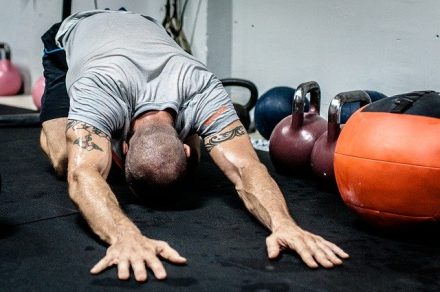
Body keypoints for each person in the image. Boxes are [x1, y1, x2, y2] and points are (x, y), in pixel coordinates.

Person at [39, 10, 349, 283]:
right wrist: (124, 235)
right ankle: (65, 128)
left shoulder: (201, 86)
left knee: (101, 161)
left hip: (141, 27)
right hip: (75, 33)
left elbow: (247, 168)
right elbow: (81, 176)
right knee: (65, 159)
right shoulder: (98, 87)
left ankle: (181, 137)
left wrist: (285, 226)